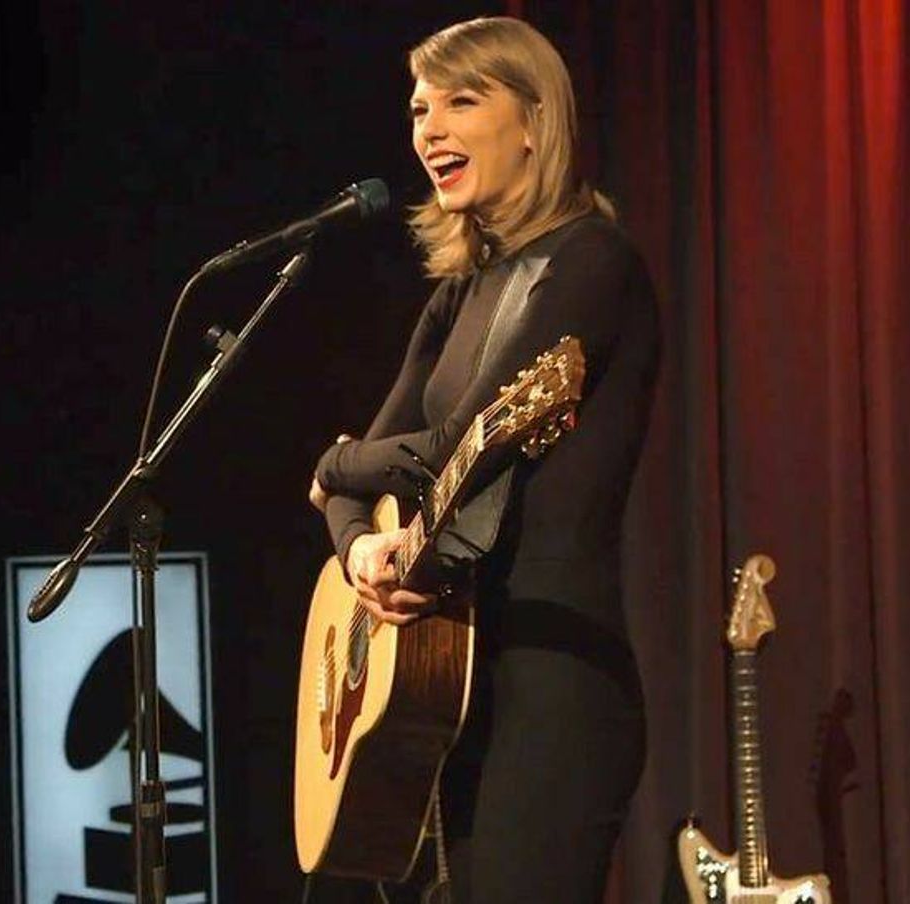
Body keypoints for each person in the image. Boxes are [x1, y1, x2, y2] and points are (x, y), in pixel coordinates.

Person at [308, 16, 659, 904]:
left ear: (536, 123)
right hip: (436, 691)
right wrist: (358, 550)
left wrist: (337, 463)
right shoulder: (460, 290)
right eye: (420, 107)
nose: (429, 129)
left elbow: (436, 451)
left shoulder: (591, 263)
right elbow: (363, 483)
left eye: (463, 102)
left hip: (552, 691)